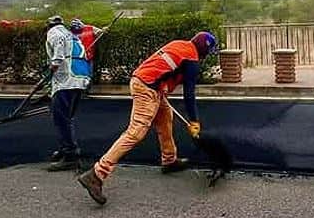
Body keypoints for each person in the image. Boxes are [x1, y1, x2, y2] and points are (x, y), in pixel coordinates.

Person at [77, 31, 218, 205]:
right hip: (147, 88)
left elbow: (163, 69)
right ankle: (97, 173)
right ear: (204, 50)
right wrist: (194, 121)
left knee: (166, 116)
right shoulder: (191, 58)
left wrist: (162, 87)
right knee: (136, 131)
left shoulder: (180, 45)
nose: (205, 57)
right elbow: (189, 94)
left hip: (149, 83)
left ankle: (169, 160)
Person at [46, 15, 92, 171]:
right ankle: (65, 148)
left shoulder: (54, 33)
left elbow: (58, 55)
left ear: (49, 26)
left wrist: (53, 67)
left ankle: (70, 155)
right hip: (80, 79)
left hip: (66, 80)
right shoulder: (71, 34)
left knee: (61, 119)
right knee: (67, 117)